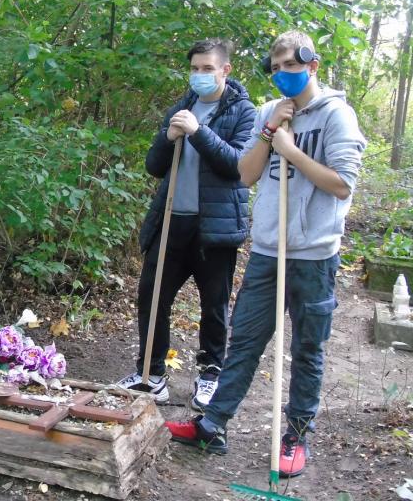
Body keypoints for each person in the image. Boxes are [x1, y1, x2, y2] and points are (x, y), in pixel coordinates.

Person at [165, 31, 366, 478]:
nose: (282, 76)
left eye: (291, 67)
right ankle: (213, 426)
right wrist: (270, 132)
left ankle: (296, 435)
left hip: (314, 254)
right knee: (245, 342)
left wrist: (292, 151)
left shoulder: (338, 116)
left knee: (308, 347)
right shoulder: (267, 112)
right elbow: (245, 175)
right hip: (267, 250)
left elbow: (341, 184)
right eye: (275, 69)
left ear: (312, 66)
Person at [117, 39, 255, 410]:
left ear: (225, 70)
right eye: (194, 69)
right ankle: (151, 374)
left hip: (216, 227)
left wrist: (199, 132)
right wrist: (169, 136)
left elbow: (238, 166)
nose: (199, 75)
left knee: (213, 306)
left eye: (207, 69)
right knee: (152, 295)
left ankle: (210, 375)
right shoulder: (181, 107)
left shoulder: (244, 112)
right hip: (171, 220)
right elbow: (154, 166)